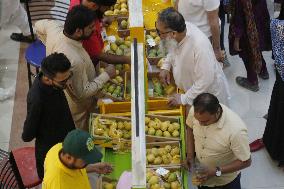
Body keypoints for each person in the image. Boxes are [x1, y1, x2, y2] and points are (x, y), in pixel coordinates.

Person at [35, 5, 116, 131]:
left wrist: (48, 45)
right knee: (84, 128)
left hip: (70, 87)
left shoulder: (55, 28)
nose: (94, 30)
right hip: (79, 105)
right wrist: (106, 75)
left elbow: (38, 26)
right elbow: (82, 94)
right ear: (78, 31)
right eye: (90, 28)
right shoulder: (74, 60)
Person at [157, 8, 230, 109]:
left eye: (160, 32)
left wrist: (184, 99)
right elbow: (172, 48)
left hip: (206, 99)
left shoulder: (199, 46)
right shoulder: (180, 31)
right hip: (190, 93)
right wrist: (166, 66)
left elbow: (205, 81)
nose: (159, 36)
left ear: (173, 33)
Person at [22, 53, 75, 179]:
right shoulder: (37, 99)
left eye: (69, 77)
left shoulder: (55, 84)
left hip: (65, 140)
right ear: (47, 79)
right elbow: (27, 135)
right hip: (51, 152)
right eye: (63, 81)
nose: (67, 83)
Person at [185, 93, 251, 189]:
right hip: (203, 178)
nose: (200, 124)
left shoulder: (236, 131)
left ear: (217, 112)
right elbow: (190, 127)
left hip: (226, 183)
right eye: (197, 120)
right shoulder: (196, 111)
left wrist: (216, 171)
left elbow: (246, 161)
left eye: (205, 121)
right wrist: (190, 154)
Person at [249, 5, 284, 169]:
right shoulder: (277, 25)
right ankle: (272, 144)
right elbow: (279, 57)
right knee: (278, 112)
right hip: (283, 78)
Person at [42, 129, 113, 189]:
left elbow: (75, 169)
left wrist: (94, 167)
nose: (88, 162)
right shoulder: (59, 185)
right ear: (69, 157)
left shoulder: (58, 148)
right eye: (85, 159)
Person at [69, 0, 131, 65]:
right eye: (106, 8)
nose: (108, 10)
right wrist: (127, 59)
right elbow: (99, 55)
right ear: (94, 6)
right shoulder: (83, 24)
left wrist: (100, 22)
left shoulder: (84, 6)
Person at [229, 0, 271, 92]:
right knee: (256, 49)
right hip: (260, 29)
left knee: (247, 55)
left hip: (246, 33)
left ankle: (252, 81)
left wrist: (237, 39)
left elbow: (239, 19)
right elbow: (265, 13)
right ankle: (263, 71)